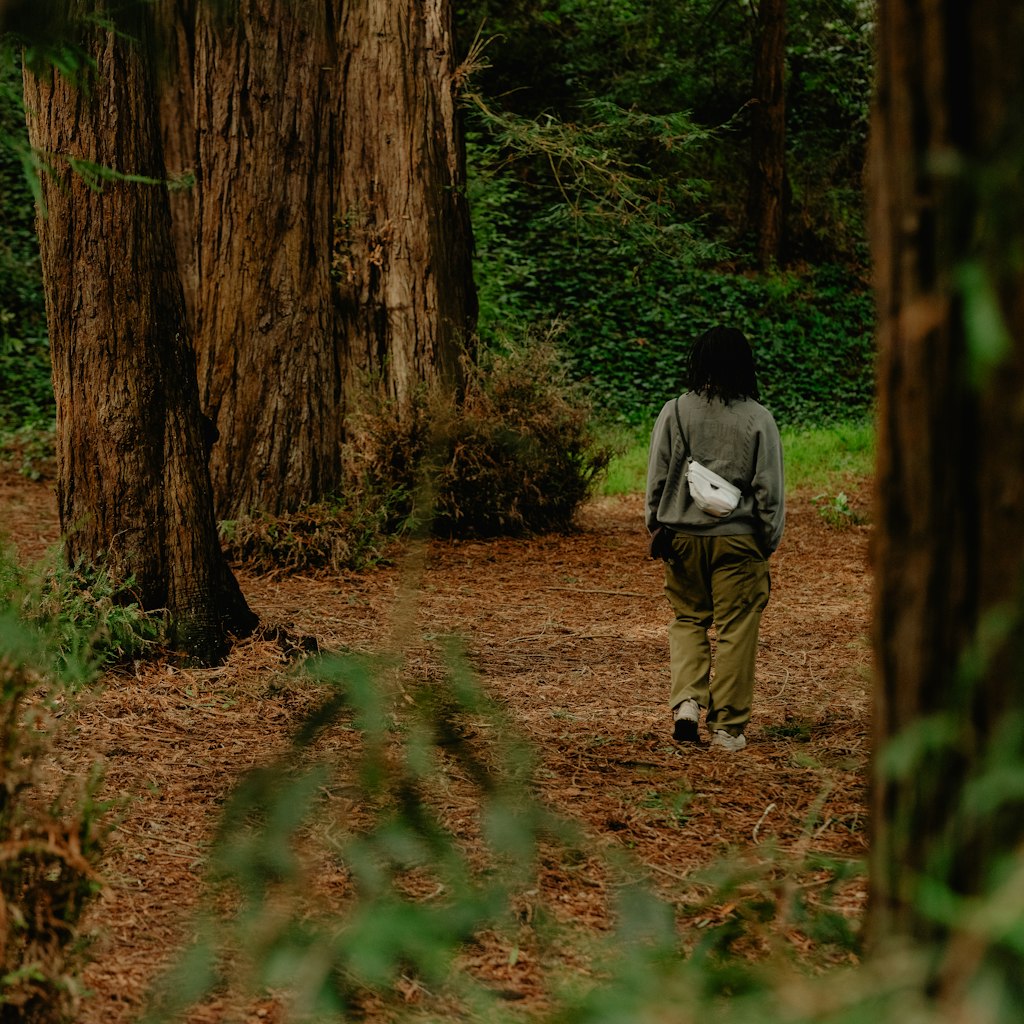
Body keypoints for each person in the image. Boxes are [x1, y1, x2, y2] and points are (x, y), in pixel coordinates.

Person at [645, 326, 785, 752]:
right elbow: (769, 491)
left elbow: (656, 478)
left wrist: (657, 525)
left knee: (688, 619)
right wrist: (767, 540)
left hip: (681, 536)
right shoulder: (759, 418)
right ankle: (727, 728)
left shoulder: (674, 411)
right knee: (736, 629)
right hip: (739, 540)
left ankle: (687, 703)